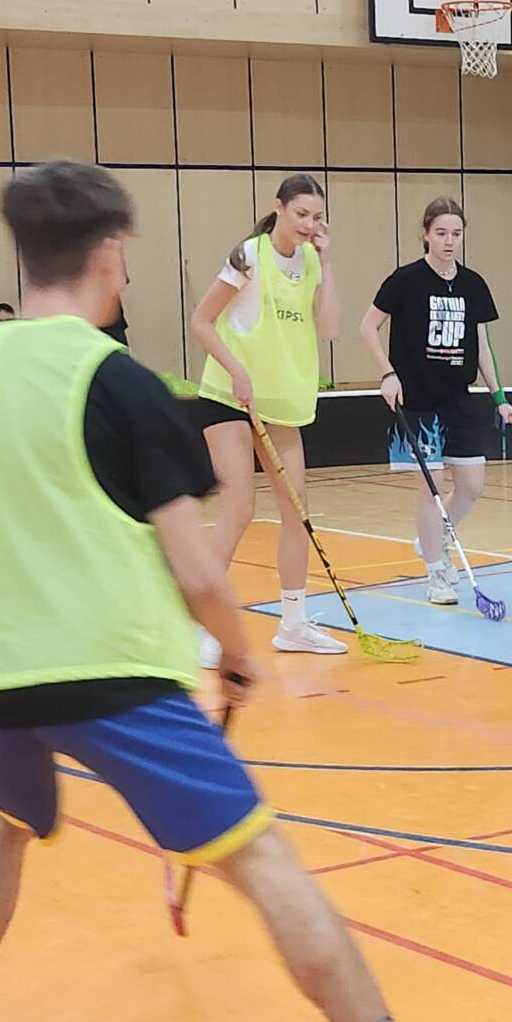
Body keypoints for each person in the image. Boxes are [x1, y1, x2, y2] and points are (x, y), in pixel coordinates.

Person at [0, 161, 503, 1022]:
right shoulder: (120, 384)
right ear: (109, 252)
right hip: (112, 680)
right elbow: (199, 571)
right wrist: (240, 658)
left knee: (6, 820)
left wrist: (4, 613)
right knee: (265, 860)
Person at [188, 173, 346, 663]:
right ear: (279, 208)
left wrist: (327, 264)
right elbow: (201, 321)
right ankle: (197, 626)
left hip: (281, 401)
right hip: (229, 395)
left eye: (317, 217)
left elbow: (330, 327)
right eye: (301, 214)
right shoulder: (248, 256)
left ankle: (294, 625)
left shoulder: (312, 262)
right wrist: (236, 370)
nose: (309, 224)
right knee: (239, 507)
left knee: (296, 513)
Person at [359, 197, 512, 603]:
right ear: (426, 234)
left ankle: (432, 539)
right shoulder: (405, 280)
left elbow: (482, 346)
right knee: (432, 489)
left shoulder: (473, 285)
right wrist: (387, 374)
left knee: (472, 486)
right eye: (441, 233)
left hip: (458, 400)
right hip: (417, 402)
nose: (449, 241)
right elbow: (367, 327)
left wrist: (499, 397)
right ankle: (436, 574)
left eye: (456, 233)